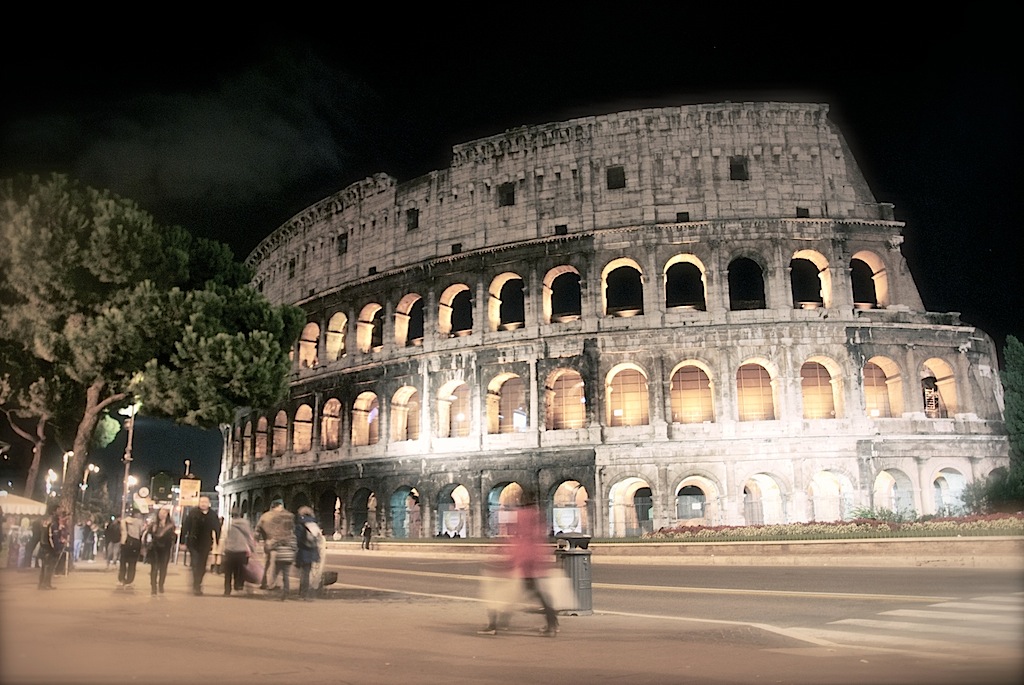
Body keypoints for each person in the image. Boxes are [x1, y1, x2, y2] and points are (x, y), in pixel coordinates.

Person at [479, 503, 559, 637]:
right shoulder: (535, 515)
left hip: (525, 563)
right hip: (531, 562)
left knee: (501, 595)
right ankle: (552, 624)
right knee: (534, 595)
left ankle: (494, 625)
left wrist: (509, 560)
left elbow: (520, 539)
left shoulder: (523, 516)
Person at [181, 496, 220, 595]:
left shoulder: (212, 514)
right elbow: (186, 526)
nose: (203, 504)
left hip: (206, 542)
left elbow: (217, 528)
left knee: (202, 566)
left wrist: (217, 541)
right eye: (201, 502)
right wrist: (182, 541)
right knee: (195, 563)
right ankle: (196, 585)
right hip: (193, 542)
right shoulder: (193, 513)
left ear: (209, 504)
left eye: (205, 502)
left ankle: (198, 582)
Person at [255, 499, 293, 590]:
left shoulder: (265, 516)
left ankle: (265, 582)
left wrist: (256, 541)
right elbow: (291, 529)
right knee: (276, 564)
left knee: (268, 563)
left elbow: (257, 530)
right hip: (282, 543)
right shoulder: (287, 515)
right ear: (280, 506)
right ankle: (272, 584)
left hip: (268, 542)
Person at [221, 506, 255, 596]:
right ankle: (238, 586)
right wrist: (252, 549)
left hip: (229, 550)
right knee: (240, 570)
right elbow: (249, 536)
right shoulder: (245, 524)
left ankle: (227, 590)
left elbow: (225, 537)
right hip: (241, 550)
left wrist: (223, 549)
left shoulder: (228, 524)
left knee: (228, 572)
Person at [37, 504, 68, 590]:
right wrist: (55, 548)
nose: (60, 511)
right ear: (54, 511)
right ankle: (45, 584)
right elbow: (52, 536)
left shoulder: (45, 520)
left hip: (44, 546)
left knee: (45, 566)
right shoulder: (52, 522)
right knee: (48, 566)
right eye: (58, 509)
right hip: (49, 548)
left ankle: (43, 583)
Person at [146, 507, 176, 595]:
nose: (162, 515)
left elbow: (173, 537)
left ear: (167, 515)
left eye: (164, 513)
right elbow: (149, 535)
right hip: (155, 549)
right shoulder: (154, 524)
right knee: (154, 568)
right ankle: (153, 587)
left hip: (165, 549)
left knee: (163, 568)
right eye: (160, 513)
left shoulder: (170, 526)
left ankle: (161, 585)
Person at [294, 506, 322, 601]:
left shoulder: (300, 525)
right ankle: (305, 592)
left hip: (303, 551)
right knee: (307, 572)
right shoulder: (314, 525)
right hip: (312, 551)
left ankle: (303, 593)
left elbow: (298, 540)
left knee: (304, 573)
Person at [118, 506, 145, 589]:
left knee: (123, 562)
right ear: (136, 514)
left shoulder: (124, 521)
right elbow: (141, 532)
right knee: (132, 563)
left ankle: (121, 578)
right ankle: (129, 580)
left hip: (125, 543)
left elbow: (121, 531)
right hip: (135, 543)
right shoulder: (139, 522)